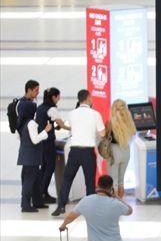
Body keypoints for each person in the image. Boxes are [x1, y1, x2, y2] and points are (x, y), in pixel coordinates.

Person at [51, 89, 105, 217]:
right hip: (88, 152)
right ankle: (90, 209)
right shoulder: (95, 114)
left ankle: (61, 206)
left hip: (74, 152)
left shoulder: (72, 113)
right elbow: (102, 133)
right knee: (90, 182)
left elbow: (69, 127)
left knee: (67, 179)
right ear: (88, 98)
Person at [16, 80, 50, 213]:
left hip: (28, 156)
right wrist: (45, 131)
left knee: (34, 180)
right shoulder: (31, 123)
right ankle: (25, 205)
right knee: (29, 181)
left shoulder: (23, 122)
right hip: (31, 157)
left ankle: (37, 201)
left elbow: (19, 137)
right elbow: (35, 140)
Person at [35, 87, 63, 208]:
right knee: (50, 166)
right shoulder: (52, 109)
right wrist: (72, 128)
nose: (59, 99)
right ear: (53, 97)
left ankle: (42, 193)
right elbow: (62, 124)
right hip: (48, 142)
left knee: (44, 167)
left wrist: (54, 127)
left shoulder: (40, 107)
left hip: (41, 141)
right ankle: (42, 193)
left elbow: (43, 123)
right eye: (58, 96)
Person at [105, 99, 136, 199]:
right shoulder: (129, 122)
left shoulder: (110, 123)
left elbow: (104, 136)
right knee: (121, 182)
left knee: (113, 181)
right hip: (126, 151)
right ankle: (120, 202)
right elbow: (133, 134)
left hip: (114, 152)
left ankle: (114, 203)